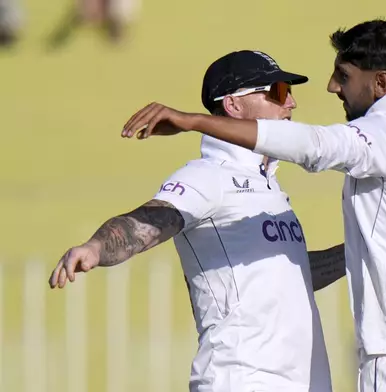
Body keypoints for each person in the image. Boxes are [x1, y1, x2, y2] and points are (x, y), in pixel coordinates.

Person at [122, 19, 386, 392]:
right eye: (278, 91)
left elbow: (311, 144)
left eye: (343, 76)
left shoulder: (383, 137)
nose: (332, 87)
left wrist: (194, 121)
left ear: (380, 83)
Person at [49, 50, 334, 392]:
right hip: (243, 379)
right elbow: (150, 220)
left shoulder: (269, 183)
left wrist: (357, 252)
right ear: (233, 105)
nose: (291, 104)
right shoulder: (208, 174)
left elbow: (290, 274)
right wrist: (96, 247)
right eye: (278, 91)